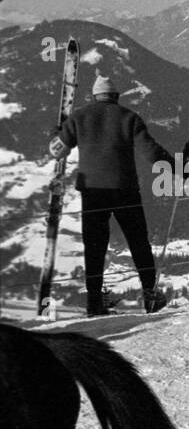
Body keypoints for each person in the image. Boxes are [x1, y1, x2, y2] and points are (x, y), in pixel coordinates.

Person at [48, 76, 175, 316]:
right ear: (116, 97)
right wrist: (178, 168)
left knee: (94, 247)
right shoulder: (129, 118)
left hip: (92, 192)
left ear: (95, 96)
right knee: (138, 242)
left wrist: (58, 132)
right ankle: (150, 295)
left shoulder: (79, 118)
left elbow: (57, 151)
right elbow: (151, 153)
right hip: (125, 190)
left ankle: (94, 303)